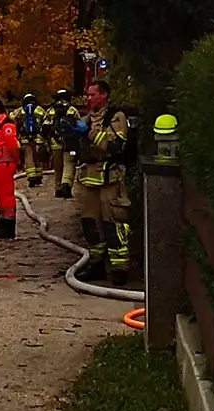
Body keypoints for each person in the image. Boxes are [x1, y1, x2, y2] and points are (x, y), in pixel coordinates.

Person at [75, 80, 131, 286]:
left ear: (104, 95)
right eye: (87, 95)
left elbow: (114, 146)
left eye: (93, 94)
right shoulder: (87, 119)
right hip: (88, 178)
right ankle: (96, 264)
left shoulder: (116, 117)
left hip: (110, 179)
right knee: (90, 224)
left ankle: (120, 269)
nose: (88, 98)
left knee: (113, 223)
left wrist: (88, 132)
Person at [43, 89, 81, 198]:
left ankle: (58, 188)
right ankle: (66, 185)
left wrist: (47, 141)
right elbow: (79, 125)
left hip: (55, 143)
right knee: (69, 163)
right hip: (70, 143)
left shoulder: (51, 110)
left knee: (58, 167)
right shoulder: (72, 110)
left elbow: (45, 128)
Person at [0, 110, 21, 239]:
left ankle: (8, 226)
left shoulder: (6, 125)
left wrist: (16, 159)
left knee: (6, 195)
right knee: (1, 194)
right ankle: (3, 223)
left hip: (5, 163)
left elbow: (12, 144)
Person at [10, 93, 46, 187]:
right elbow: (46, 121)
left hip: (25, 138)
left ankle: (31, 177)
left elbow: (11, 117)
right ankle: (38, 176)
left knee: (28, 157)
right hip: (37, 138)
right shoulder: (39, 110)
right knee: (36, 157)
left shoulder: (21, 110)